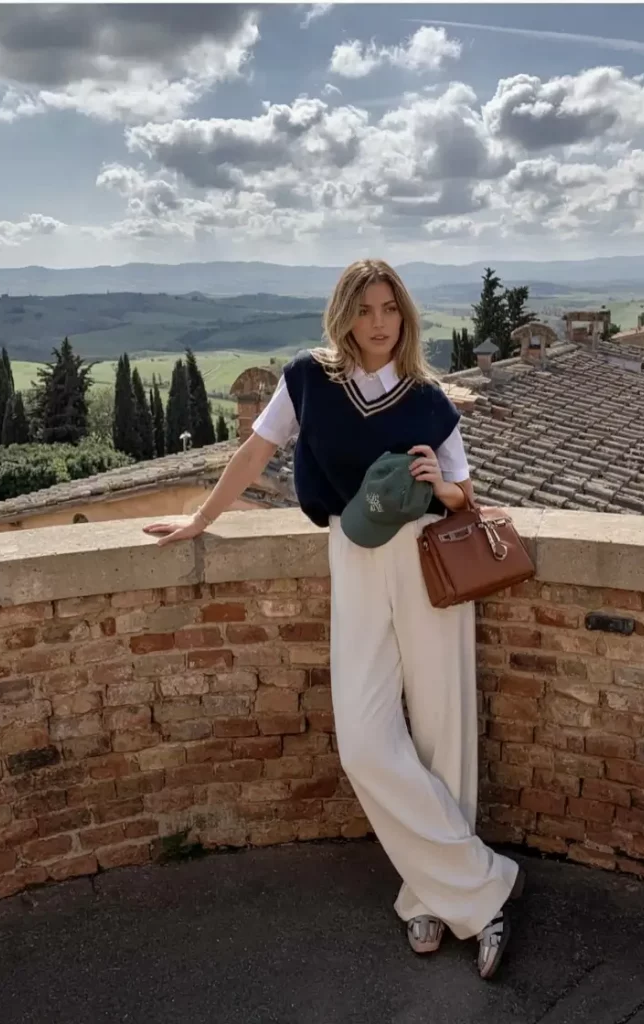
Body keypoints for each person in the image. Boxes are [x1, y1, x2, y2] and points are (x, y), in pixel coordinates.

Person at [142, 258, 525, 979]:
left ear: (404, 316)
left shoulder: (427, 397)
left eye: (390, 309)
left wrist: (437, 484)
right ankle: (483, 883)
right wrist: (199, 518)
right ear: (343, 314)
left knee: (443, 724)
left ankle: (429, 894)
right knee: (364, 740)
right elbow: (255, 450)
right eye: (365, 309)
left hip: (424, 557)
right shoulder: (307, 380)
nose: (379, 323)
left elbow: (463, 493)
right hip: (351, 553)